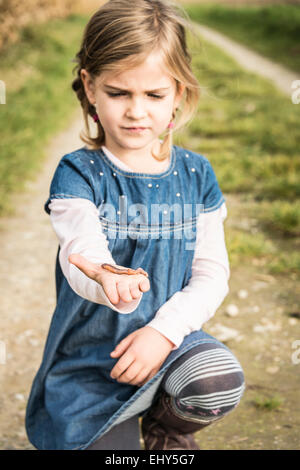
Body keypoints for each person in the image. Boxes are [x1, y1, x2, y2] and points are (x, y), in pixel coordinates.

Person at [25, 0, 245, 451]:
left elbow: (210, 273)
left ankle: (166, 428)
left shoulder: (197, 174)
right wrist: (104, 276)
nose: (136, 112)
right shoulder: (79, 173)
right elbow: (80, 249)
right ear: (89, 87)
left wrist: (164, 333)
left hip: (169, 343)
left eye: (154, 95)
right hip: (93, 360)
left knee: (215, 379)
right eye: (119, 93)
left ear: (179, 93)